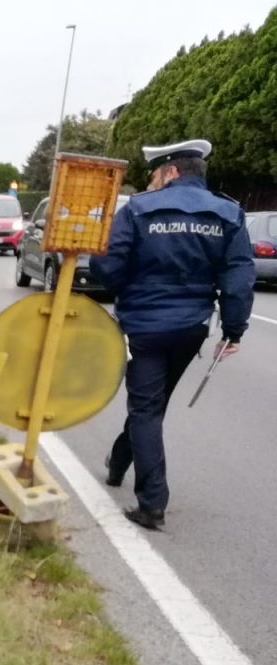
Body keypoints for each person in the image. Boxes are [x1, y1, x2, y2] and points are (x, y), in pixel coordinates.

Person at [89, 139, 254, 530]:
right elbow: (238, 278)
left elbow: (107, 269)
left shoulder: (139, 210)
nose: (152, 182)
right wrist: (233, 330)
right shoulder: (229, 213)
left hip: (144, 327)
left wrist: (120, 279)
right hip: (190, 329)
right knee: (152, 405)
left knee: (145, 408)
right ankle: (117, 462)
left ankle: (152, 503)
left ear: (171, 171)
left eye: (155, 174)